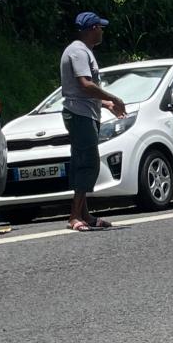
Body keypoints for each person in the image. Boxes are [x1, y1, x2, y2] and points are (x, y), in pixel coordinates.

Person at [61, 12, 126, 232]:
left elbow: (85, 90)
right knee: (88, 163)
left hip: (85, 112)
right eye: (100, 27)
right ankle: (74, 216)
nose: (102, 31)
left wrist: (106, 105)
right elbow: (84, 84)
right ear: (92, 29)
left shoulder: (82, 50)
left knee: (82, 161)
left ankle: (85, 215)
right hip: (80, 115)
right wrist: (113, 98)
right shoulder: (79, 51)